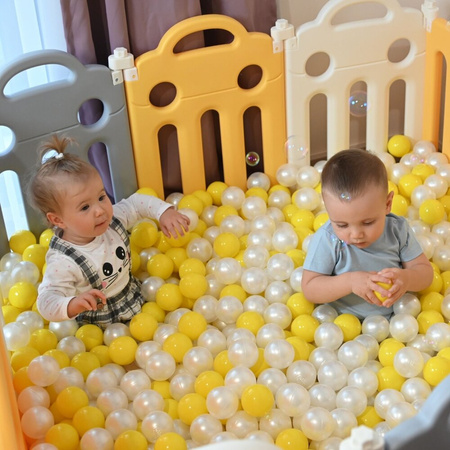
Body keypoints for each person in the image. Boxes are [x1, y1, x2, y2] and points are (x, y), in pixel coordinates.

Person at [27, 135, 190, 329]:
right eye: (85, 207)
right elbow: (46, 301)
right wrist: (71, 304)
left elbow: (137, 203)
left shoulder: (111, 221)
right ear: (58, 220)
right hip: (98, 323)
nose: (100, 210)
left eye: (101, 196)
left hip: (133, 296)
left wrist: (164, 212)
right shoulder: (62, 262)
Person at [301, 148, 433, 319]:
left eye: (368, 222)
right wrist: (350, 282)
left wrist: (407, 278)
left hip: (397, 323)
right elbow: (310, 288)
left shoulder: (397, 230)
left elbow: (425, 274)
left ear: (387, 204)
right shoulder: (327, 239)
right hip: (341, 325)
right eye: (341, 224)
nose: (356, 234)